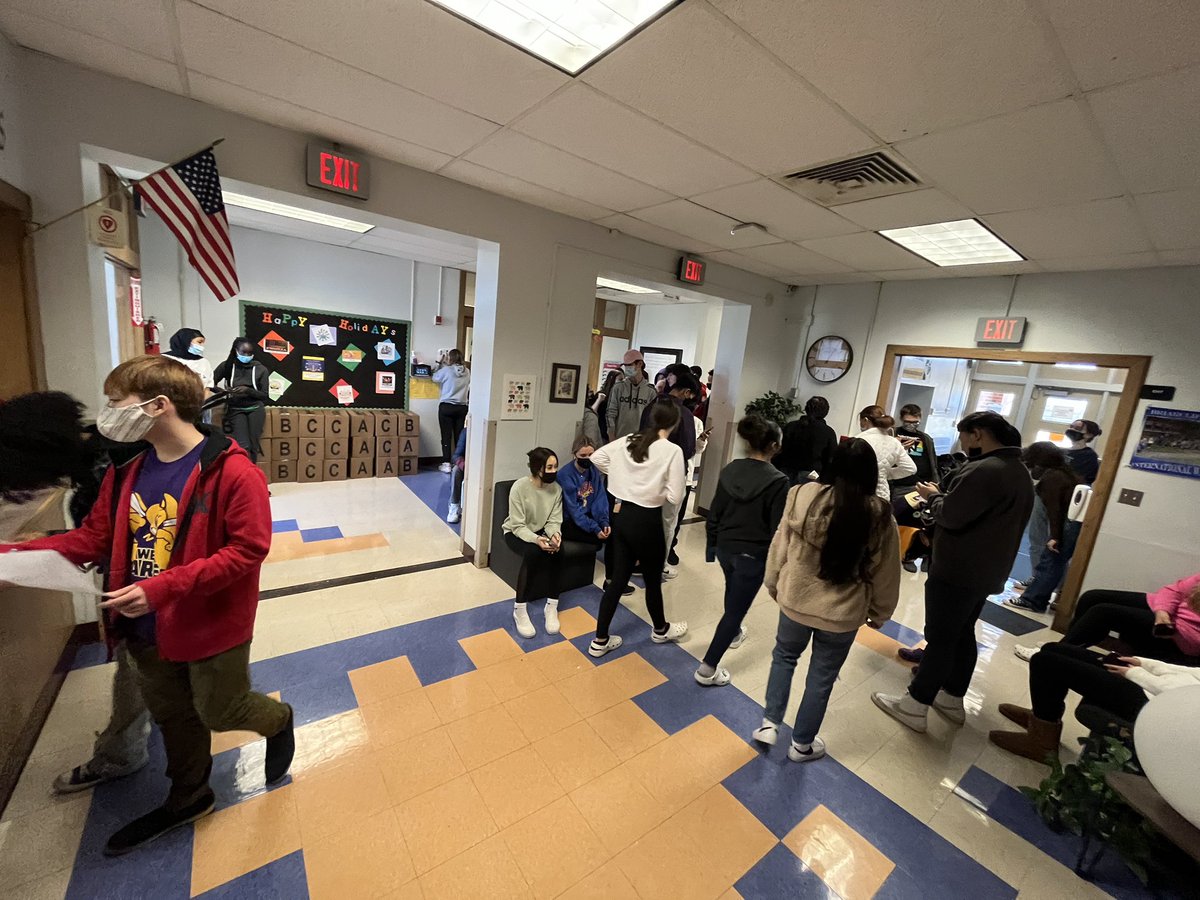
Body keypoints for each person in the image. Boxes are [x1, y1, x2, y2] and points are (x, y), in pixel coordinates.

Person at [0, 355, 293, 856]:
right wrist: (16, 557)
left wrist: (161, 589)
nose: (109, 412)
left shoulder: (232, 472)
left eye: (117, 401)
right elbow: (95, 536)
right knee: (174, 716)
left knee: (221, 709)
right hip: (140, 624)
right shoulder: (129, 470)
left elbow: (247, 551)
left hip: (208, 623)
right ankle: (190, 796)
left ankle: (278, 720)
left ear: (159, 406)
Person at [873, 411, 1033, 733]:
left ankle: (915, 704)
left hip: (959, 569)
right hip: (987, 569)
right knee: (961, 634)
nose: (962, 442)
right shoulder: (1019, 472)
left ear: (977, 435)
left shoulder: (985, 470)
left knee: (941, 639)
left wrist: (933, 497)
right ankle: (951, 697)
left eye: (963, 435)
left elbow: (951, 515)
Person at [754, 439, 901, 761]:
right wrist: (881, 612)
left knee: (784, 658)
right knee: (821, 678)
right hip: (842, 613)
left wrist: (774, 581)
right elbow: (887, 572)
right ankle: (802, 745)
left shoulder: (802, 496)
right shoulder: (879, 516)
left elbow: (780, 543)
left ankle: (769, 723)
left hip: (796, 599)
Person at [589, 400, 688, 657]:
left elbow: (596, 457)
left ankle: (600, 640)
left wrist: (622, 477)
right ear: (675, 423)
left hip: (621, 516)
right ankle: (660, 630)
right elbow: (676, 496)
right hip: (647, 521)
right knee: (653, 580)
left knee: (617, 580)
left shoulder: (629, 439)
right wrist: (654, 488)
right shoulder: (672, 450)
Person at [695, 415, 788, 687]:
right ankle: (707, 669)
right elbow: (777, 529)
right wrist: (779, 565)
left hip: (725, 547)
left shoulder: (731, 469)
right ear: (774, 446)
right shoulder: (778, 481)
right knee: (736, 609)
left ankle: (734, 633)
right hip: (753, 554)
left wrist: (712, 547)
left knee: (732, 590)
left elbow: (715, 512)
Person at [988, 646, 1200, 763]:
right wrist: (1144, 663)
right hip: (1156, 686)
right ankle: (1042, 718)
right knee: (1053, 649)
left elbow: (1185, 695)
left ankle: (1041, 743)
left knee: (1045, 663)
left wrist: (1136, 674)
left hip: (1159, 705)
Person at [1015, 575, 1200, 664]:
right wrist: (1163, 611)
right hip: (1166, 610)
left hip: (1186, 631)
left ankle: (1052, 656)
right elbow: (1175, 589)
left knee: (1102, 612)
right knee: (1092, 597)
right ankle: (1066, 647)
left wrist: (1169, 623)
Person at [1007, 443, 1080, 613]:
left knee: (1050, 563)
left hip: (1065, 524)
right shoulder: (1063, 474)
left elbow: (1055, 509)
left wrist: (1055, 536)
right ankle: (1040, 598)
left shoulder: (1052, 478)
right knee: (1054, 563)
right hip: (1071, 522)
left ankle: (1032, 601)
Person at [501, 447, 564, 639]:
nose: (554, 471)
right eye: (549, 467)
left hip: (540, 531)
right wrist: (537, 540)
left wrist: (555, 535)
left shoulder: (556, 489)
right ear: (538, 468)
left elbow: (554, 520)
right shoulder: (519, 487)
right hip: (515, 532)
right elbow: (518, 525)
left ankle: (551, 605)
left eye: (555, 466)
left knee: (559, 550)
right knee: (532, 553)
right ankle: (520, 609)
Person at [558, 435, 631, 595]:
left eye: (590, 454)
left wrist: (604, 522)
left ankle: (612, 580)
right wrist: (595, 528)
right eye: (583, 455)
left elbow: (600, 499)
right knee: (609, 539)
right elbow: (574, 511)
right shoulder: (565, 475)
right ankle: (612, 582)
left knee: (615, 532)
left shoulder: (593, 471)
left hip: (588, 517)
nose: (587, 458)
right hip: (569, 522)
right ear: (574, 454)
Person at [212, 337, 270, 463]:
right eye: (244, 352)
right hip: (235, 409)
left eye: (250, 353)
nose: (247, 356)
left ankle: (251, 470)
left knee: (254, 445)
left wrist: (247, 390)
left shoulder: (261, 369)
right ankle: (244, 470)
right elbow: (210, 382)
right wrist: (222, 392)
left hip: (255, 408)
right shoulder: (227, 366)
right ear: (236, 351)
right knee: (243, 445)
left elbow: (264, 395)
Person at [855, 405, 917, 502]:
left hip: (857, 492)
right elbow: (911, 468)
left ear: (865, 420)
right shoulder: (894, 442)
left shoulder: (858, 440)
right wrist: (885, 473)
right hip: (882, 496)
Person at [776, 396, 839, 486]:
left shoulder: (790, 426)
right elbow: (831, 459)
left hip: (786, 472)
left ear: (806, 409)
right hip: (811, 476)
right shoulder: (828, 432)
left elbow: (780, 449)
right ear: (826, 412)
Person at [606, 350, 657, 441]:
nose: (627, 368)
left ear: (640, 364)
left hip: (641, 440)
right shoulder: (618, 388)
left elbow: (652, 420)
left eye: (629, 365)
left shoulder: (651, 391)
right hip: (619, 439)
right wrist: (611, 435)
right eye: (625, 365)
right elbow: (610, 413)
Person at [432, 349, 470, 473]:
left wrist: (439, 362)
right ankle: (458, 462)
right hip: (462, 407)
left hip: (447, 407)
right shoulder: (467, 372)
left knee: (446, 436)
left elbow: (434, 377)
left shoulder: (446, 370)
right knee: (459, 436)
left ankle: (446, 463)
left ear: (450, 358)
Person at [162, 328, 214, 395]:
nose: (202, 346)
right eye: (199, 342)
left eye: (203, 343)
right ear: (186, 341)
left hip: (197, 400)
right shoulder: (164, 359)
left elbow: (206, 389)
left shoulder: (204, 362)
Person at [1064, 418, 1103, 485]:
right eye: (1071, 426)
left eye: (1077, 428)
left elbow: (1085, 479)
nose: (1071, 429)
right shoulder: (1062, 451)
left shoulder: (1089, 456)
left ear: (1089, 435)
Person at [593, 369, 621, 444]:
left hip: (617, 433)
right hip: (602, 433)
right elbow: (592, 412)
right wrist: (599, 400)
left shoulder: (621, 397)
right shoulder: (601, 395)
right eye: (620, 379)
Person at [447, 427, 467, 524]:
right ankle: (454, 505)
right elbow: (456, 456)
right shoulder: (466, 432)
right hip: (467, 465)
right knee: (456, 471)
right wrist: (463, 465)